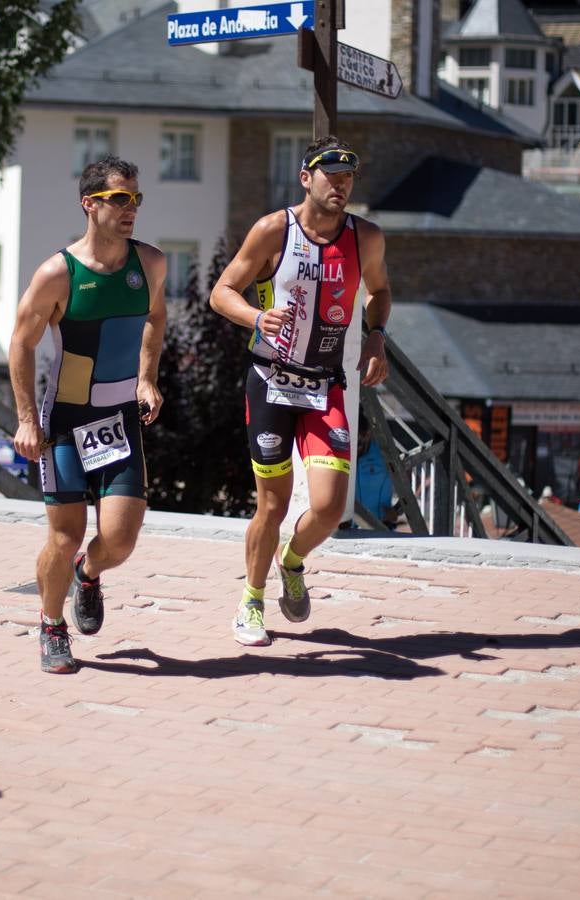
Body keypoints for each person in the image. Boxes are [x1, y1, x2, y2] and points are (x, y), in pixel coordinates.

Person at [210, 135, 391, 647]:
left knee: (331, 506)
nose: (341, 184)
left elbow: (379, 290)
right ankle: (250, 600)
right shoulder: (274, 230)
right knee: (272, 504)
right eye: (330, 174)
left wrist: (377, 336)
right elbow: (221, 291)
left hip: (325, 384)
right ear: (305, 178)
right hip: (271, 380)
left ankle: (292, 561)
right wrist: (256, 316)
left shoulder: (366, 238)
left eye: (348, 176)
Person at [8, 155, 166, 674]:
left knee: (120, 538)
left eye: (135, 199)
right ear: (90, 204)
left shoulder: (152, 264)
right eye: (120, 198)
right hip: (67, 422)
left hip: (119, 418)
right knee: (64, 533)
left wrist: (147, 378)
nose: (131, 209)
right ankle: (52, 624)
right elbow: (21, 344)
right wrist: (27, 418)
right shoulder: (58, 272)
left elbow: (155, 318)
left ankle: (89, 573)